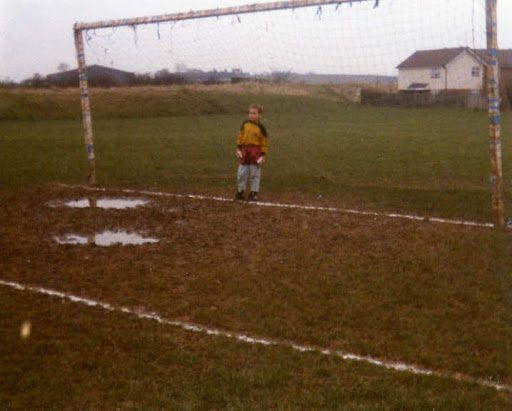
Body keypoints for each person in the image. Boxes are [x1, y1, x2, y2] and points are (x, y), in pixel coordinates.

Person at [234, 103, 268, 201]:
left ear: (259, 115)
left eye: (254, 113)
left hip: (255, 151)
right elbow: (240, 136)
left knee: (254, 173)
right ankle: (240, 191)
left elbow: (264, 142)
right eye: (250, 113)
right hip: (244, 150)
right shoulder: (245, 124)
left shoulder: (261, 128)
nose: (251, 115)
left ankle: (254, 192)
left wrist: (263, 154)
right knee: (241, 173)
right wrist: (238, 148)